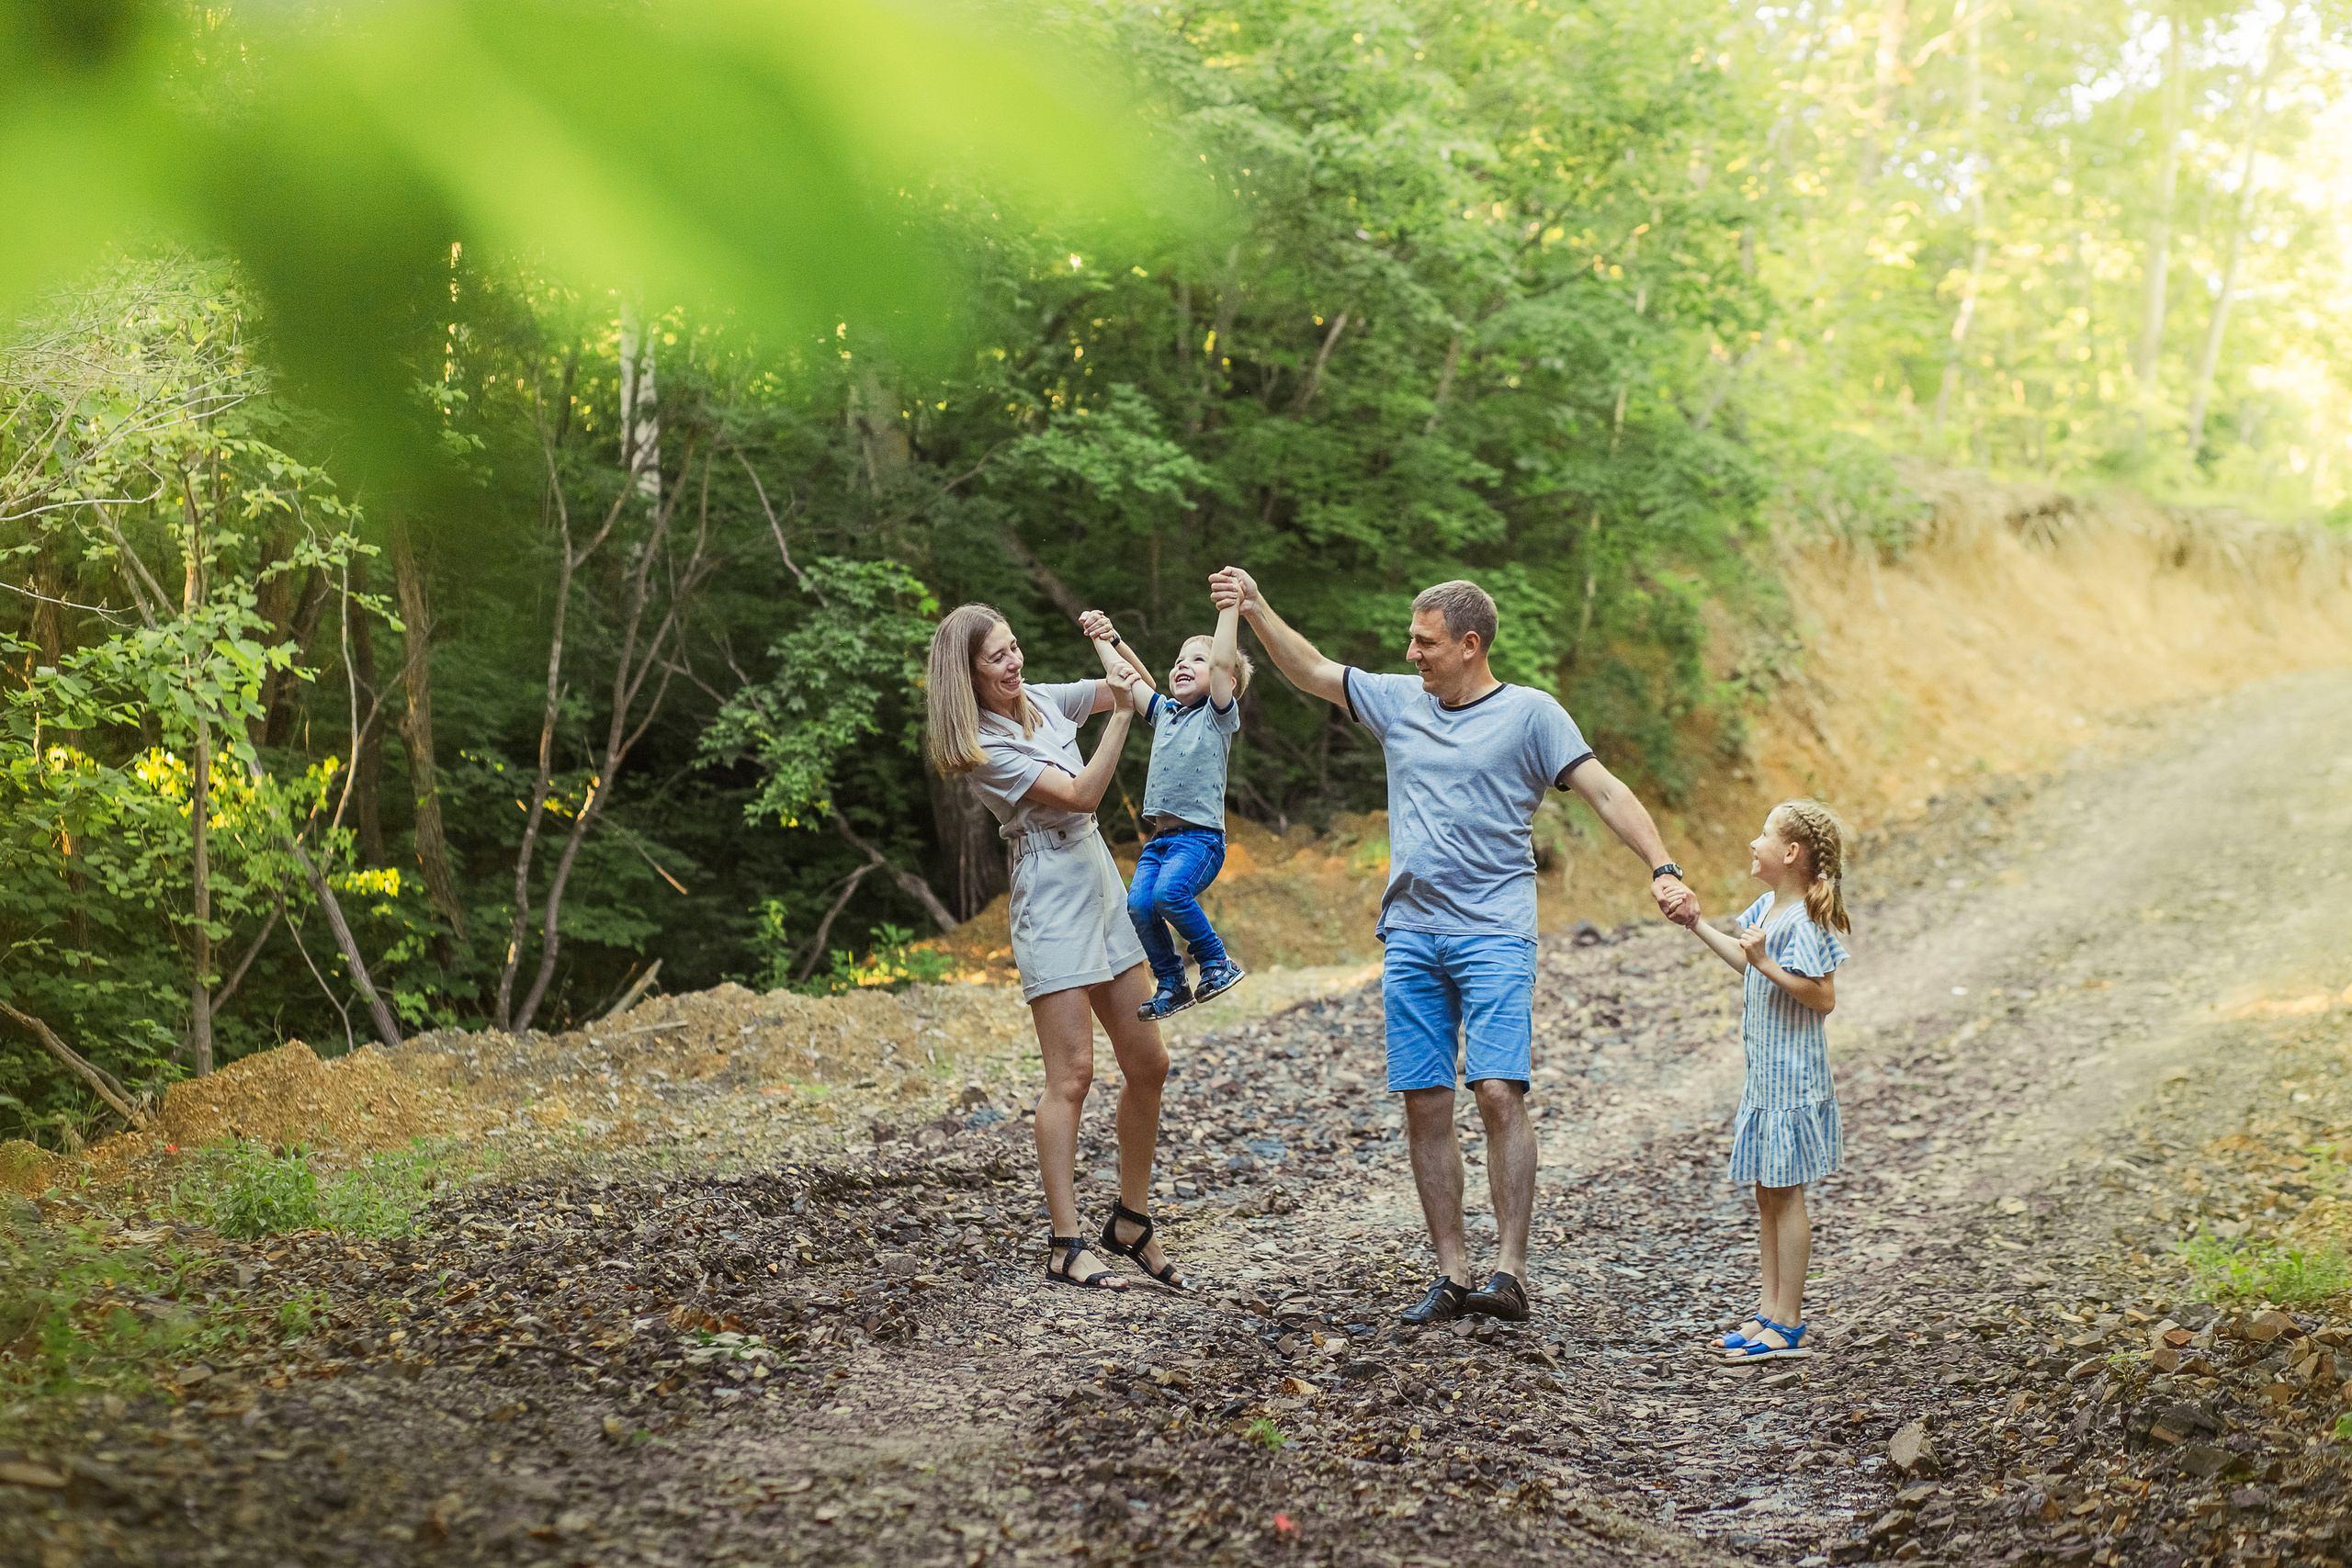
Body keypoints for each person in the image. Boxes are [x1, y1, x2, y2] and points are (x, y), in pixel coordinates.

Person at [1209, 568, 1696, 1325]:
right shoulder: (1401, 703)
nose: (1411, 654)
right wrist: (1259, 608)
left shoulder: (1532, 715)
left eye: (1425, 642)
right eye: (1411, 639)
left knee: (1498, 1091)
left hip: (1496, 931)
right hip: (1410, 934)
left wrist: (1661, 867)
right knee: (1425, 1102)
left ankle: (1511, 1269)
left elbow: (1606, 790)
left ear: (1470, 645)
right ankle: (1453, 1270)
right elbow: (1309, 670)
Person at [924, 604, 1185, 1292]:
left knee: (1149, 1060)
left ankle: (1130, 1220)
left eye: (1015, 648)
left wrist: (1110, 641)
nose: (1014, 664)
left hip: (1099, 877)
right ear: (967, 673)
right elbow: (1078, 792)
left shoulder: (1041, 698)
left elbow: (1138, 683)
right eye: (997, 658)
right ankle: (1065, 1243)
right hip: (1049, 888)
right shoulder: (982, 746)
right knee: (1071, 1073)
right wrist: (1124, 715)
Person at [1679, 800, 1851, 1362]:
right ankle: (1768, 1311)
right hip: (1766, 1078)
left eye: (1763, 835)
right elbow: (1744, 958)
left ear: (1791, 853)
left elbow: (1822, 998)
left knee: (1786, 1191)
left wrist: (1768, 965)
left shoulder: (1806, 917)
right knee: (1766, 1192)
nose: (1753, 843)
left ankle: (1790, 1322)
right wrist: (1696, 923)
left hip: (1793, 1079)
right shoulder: (1769, 908)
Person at [1076, 601, 1253, 1021]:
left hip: (1200, 840)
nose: (1182, 665)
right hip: (1161, 841)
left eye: (1198, 660)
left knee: (1167, 894)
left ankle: (1217, 962)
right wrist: (1103, 635)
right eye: (1179, 660)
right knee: (1138, 905)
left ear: (1224, 680)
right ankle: (1172, 983)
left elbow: (1226, 657)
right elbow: (1126, 679)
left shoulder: (1217, 716)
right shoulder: (1167, 714)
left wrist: (1229, 609)